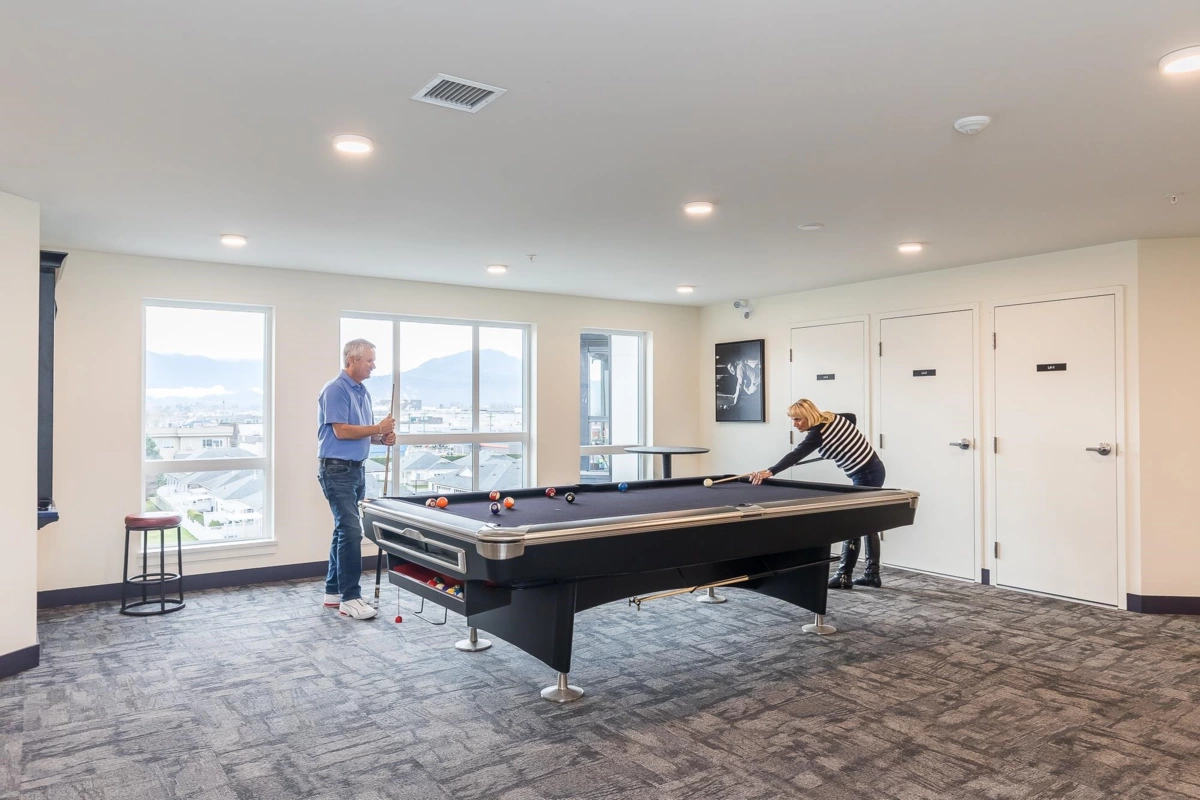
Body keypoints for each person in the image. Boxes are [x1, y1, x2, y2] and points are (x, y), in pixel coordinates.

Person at [750, 398, 886, 589]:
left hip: (866, 475)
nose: (795, 424)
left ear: (809, 417)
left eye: (798, 420)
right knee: (868, 523)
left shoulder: (816, 435)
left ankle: (844, 576)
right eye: (793, 420)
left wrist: (770, 471)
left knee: (855, 524)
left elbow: (795, 455)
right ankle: (871, 574)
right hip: (873, 469)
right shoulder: (831, 418)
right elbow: (852, 418)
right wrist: (839, 444)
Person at [317, 338, 396, 620]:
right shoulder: (335, 389)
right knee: (351, 530)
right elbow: (341, 431)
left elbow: (361, 433)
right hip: (336, 470)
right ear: (352, 360)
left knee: (343, 530)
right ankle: (351, 598)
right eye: (369, 360)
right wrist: (377, 427)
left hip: (355, 469)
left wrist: (380, 437)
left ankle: (333, 591)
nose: (373, 365)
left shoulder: (362, 391)